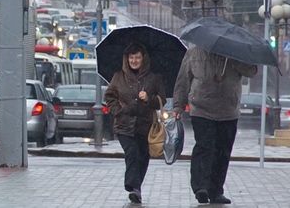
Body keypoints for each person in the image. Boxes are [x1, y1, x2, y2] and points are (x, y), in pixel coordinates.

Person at [171, 45, 257, 205]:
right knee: (205, 146)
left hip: (228, 110)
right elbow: (183, 81)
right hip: (201, 109)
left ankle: (216, 190)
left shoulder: (234, 53)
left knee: (223, 151)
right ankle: (200, 187)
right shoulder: (194, 53)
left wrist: (236, 59)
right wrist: (178, 106)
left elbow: (251, 71)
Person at [104, 42, 166, 204]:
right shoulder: (119, 77)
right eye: (131, 57)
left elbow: (162, 100)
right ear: (127, 59)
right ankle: (132, 185)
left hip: (145, 125)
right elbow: (109, 97)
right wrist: (118, 110)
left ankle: (136, 190)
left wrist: (149, 99)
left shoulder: (154, 77)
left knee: (143, 156)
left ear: (143, 58)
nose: (134, 60)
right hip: (123, 124)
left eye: (137, 57)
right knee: (132, 153)